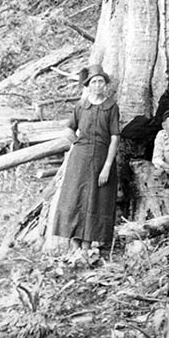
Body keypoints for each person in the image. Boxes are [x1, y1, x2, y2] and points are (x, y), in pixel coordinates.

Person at [53, 64, 120, 264]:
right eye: (94, 82)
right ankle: (74, 245)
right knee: (76, 197)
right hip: (79, 160)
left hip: (101, 158)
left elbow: (115, 137)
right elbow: (68, 130)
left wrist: (107, 166)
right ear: (88, 85)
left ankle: (87, 245)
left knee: (96, 199)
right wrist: (77, 142)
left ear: (106, 84)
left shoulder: (111, 107)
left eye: (101, 81)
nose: (98, 85)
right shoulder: (81, 106)